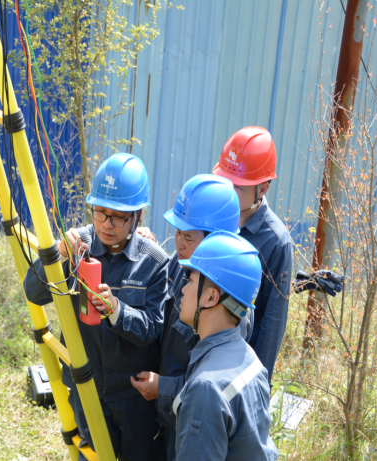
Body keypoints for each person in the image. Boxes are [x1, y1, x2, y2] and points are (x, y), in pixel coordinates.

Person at [23, 153, 168, 460]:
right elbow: (34, 293)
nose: (106, 225)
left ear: (138, 215)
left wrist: (117, 310)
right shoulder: (77, 245)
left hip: (134, 397)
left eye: (118, 217)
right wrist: (57, 256)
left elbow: (153, 329)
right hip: (86, 389)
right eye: (99, 213)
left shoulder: (154, 263)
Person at [131, 174, 244, 461]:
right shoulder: (179, 263)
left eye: (188, 236)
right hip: (162, 420)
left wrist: (164, 388)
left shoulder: (232, 306)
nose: (179, 242)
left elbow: (217, 384)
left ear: (217, 241)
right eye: (177, 232)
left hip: (193, 427)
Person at [173, 231, 278, 460]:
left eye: (190, 280)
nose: (183, 289)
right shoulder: (248, 357)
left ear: (211, 297)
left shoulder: (206, 388)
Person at [213, 126, 293, 383]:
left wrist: (255, 390)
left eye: (238, 187)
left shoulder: (275, 242)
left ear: (263, 189)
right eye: (224, 182)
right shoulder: (212, 215)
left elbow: (271, 325)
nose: (227, 191)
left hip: (235, 371)